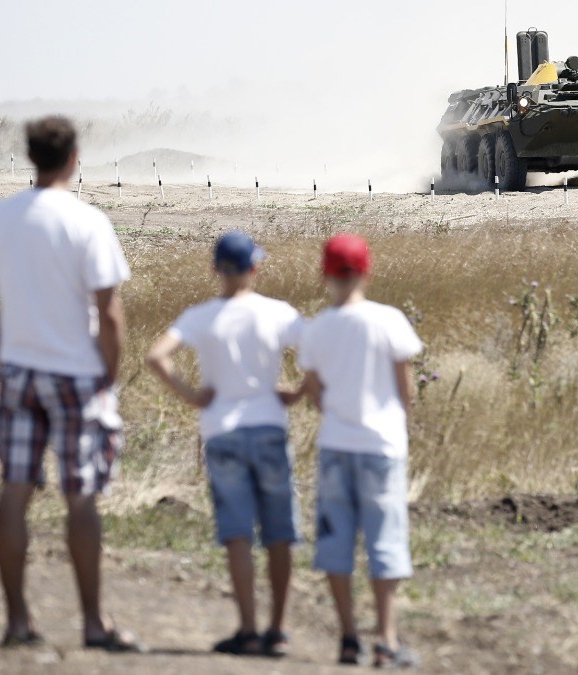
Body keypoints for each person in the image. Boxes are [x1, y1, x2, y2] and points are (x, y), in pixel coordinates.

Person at [0, 115, 139, 651]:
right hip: (77, 373)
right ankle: (92, 623)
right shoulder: (88, 222)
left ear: (30, 156)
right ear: (74, 158)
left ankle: (18, 621)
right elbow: (110, 313)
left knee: (15, 490)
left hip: (21, 371)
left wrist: (6, 357)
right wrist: (108, 373)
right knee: (81, 496)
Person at [145, 232, 303, 657]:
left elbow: (156, 356)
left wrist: (191, 394)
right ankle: (280, 629)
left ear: (216, 269)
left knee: (237, 533)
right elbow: (320, 353)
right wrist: (298, 391)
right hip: (269, 425)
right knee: (279, 532)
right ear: (254, 267)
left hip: (222, 431)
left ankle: (248, 628)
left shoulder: (200, 316)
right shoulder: (277, 312)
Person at [296, 234, 422, 668]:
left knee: (337, 542)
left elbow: (312, 392)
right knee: (385, 540)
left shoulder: (316, 329)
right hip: (382, 446)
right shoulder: (390, 321)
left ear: (325, 274)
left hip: (336, 444)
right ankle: (386, 639)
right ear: (366, 271)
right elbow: (406, 388)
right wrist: (398, 424)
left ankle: (349, 637)